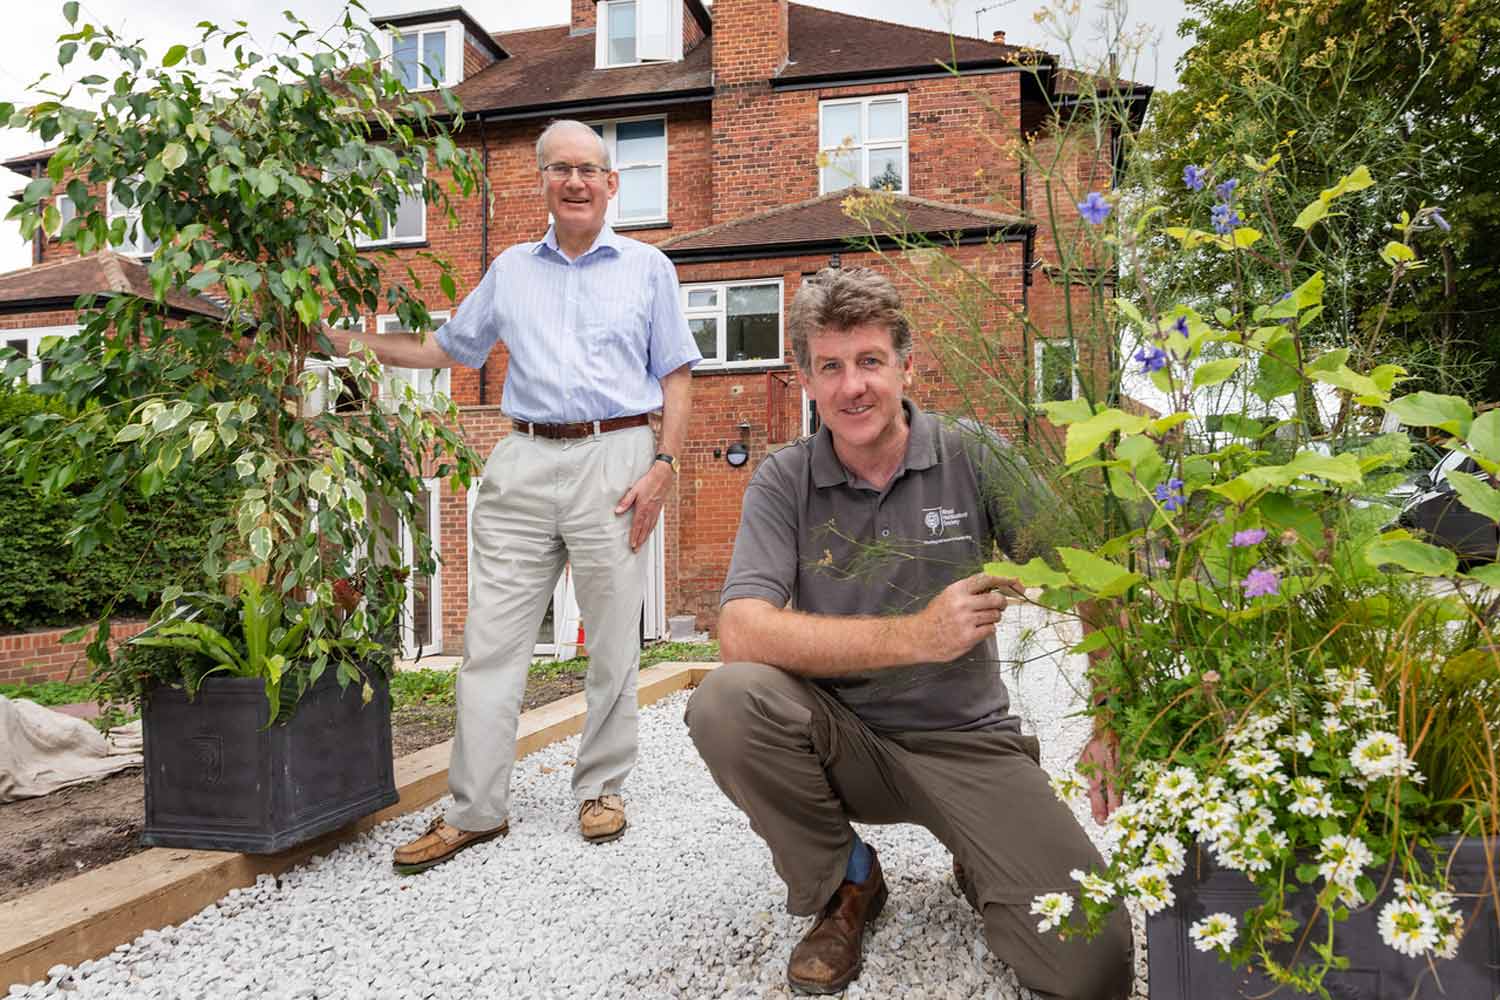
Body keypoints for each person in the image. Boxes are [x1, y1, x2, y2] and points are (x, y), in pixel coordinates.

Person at [684, 267, 1131, 998]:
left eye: (869, 361)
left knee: (1094, 966)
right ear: (804, 377)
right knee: (727, 701)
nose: (852, 386)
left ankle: (981, 856)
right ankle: (847, 883)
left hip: (968, 742)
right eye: (830, 366)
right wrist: (917, 636)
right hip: (841, 742)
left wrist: (1111, 718)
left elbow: (1096, 575)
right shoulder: (782, 479)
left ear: (906, 365)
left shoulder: (972, 453)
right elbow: (740, 630)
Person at [327, 119, 701, 872]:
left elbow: (678, 376)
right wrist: (340, 342)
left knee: (612, 643)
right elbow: (445, 349)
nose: (575, 182)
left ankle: (601, 788)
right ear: (541, 181)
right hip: (523, 456)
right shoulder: (509, 269)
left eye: (589, 169)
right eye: (560, 169)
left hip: (618, 455)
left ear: (611, 183)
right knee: (491, 645)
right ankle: (475, 810)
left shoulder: (648, 267)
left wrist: (665, 465)